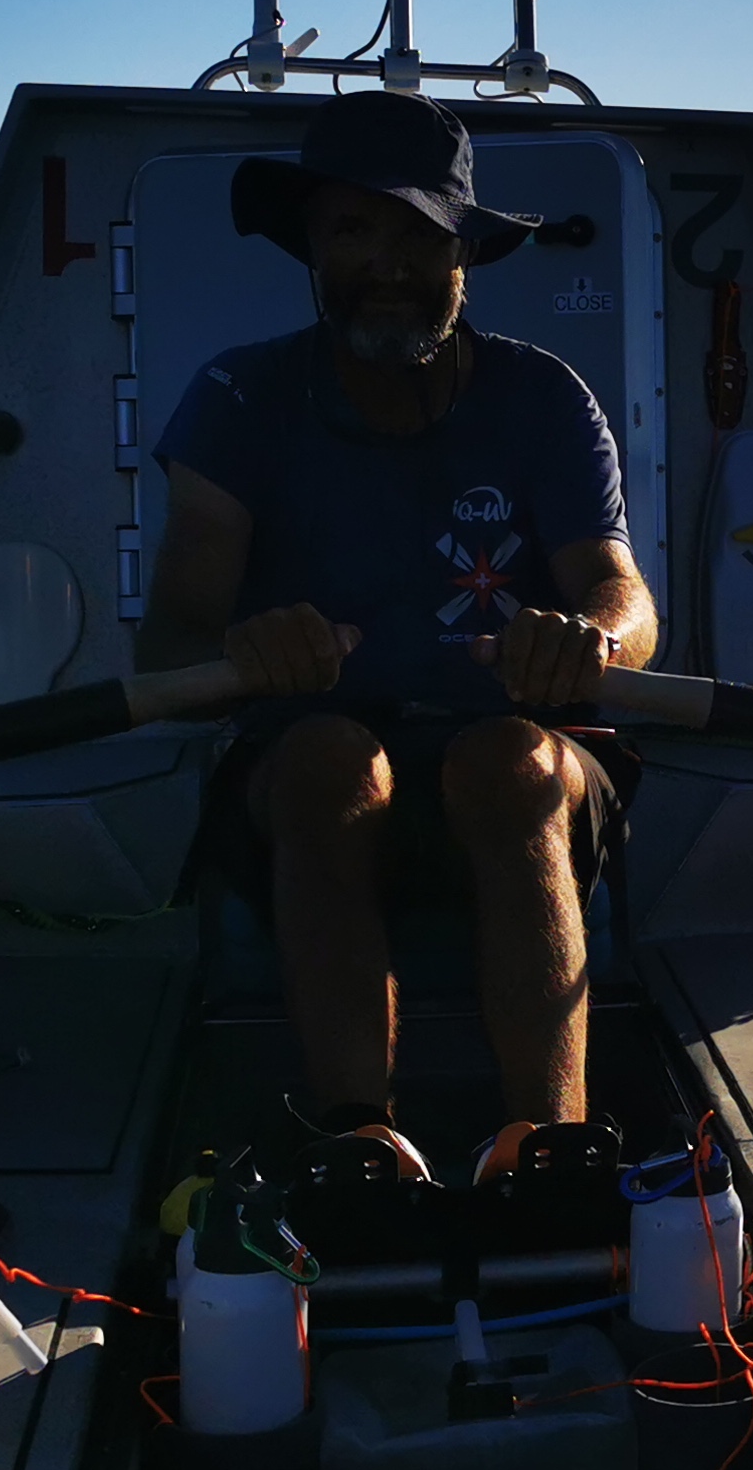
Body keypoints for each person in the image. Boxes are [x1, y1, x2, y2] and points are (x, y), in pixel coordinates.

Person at [137, 94, 656, 1174]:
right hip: (307, 779)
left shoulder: (546, 397)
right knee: (330, 756)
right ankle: (358, 1148)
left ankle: (551, 1151)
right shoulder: (237, 396)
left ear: (464, 249)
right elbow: (171, 642)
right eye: (353, 231)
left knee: (507, 759)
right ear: (312, 249)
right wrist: (243, 651)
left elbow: (624, 597)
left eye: (418, 232)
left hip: (523, 771)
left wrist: (593, 640)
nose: (385, 262)